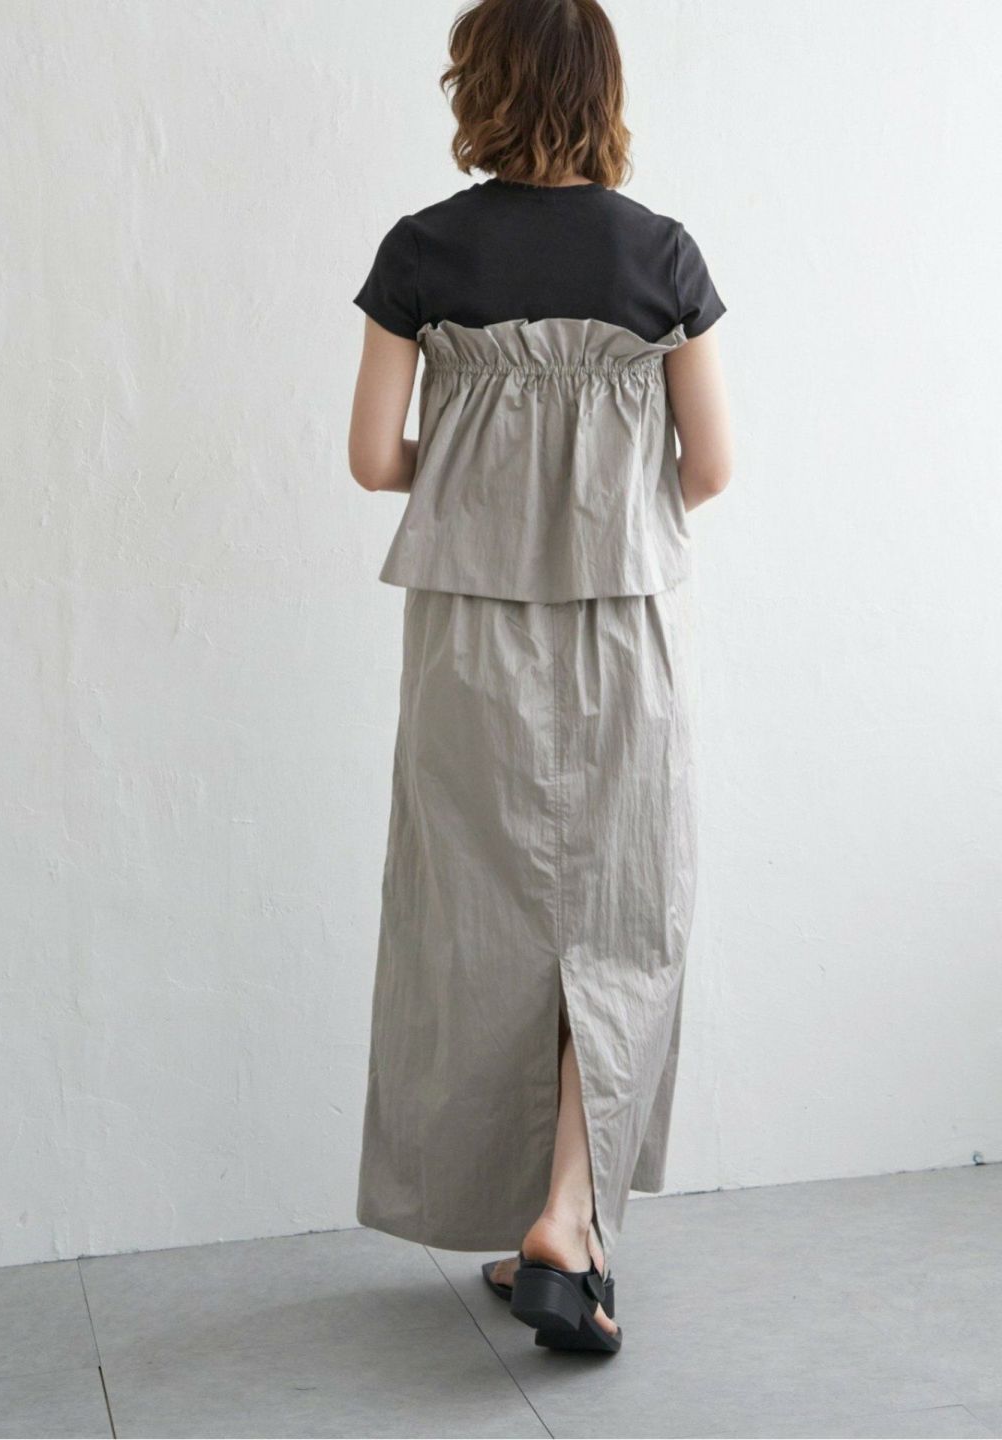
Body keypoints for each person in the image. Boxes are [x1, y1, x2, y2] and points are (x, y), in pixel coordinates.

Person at [347, 0, 733, 1355]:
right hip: (624, 634)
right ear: (602, 89)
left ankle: (554, 1224)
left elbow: (373, 460)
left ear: (484, 87)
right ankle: (569, 1218)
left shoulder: (420, 251)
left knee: (488, 925)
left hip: (468, 640)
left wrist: (483, 465)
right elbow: (709, 469)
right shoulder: (662, 255)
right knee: (623, 918)